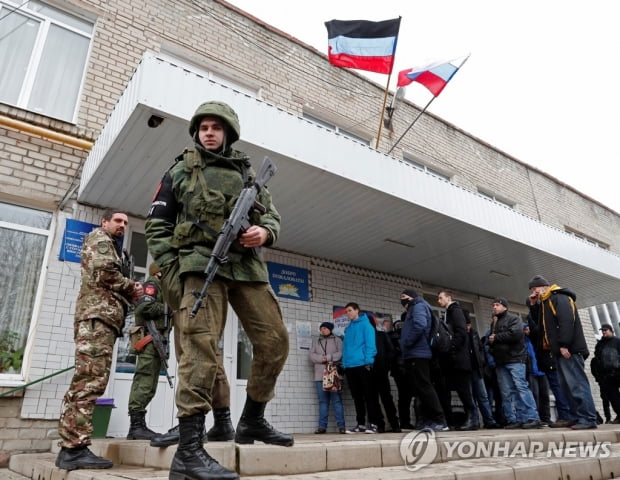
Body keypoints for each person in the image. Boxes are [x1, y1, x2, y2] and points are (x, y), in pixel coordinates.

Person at [145, 101, 292, 480]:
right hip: (197, 266)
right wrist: (173, 274)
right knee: (200, 348)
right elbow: (157, 229)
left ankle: (253, 420)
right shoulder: (179, 171)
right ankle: (190, 451)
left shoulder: (247, 173)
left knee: (275, 341)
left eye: (216, 127)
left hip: (246, 267)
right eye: (204, 127)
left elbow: (270, 213)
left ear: (228, 133)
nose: (209, 132)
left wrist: (265, 231)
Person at [56, 209, 143, 471]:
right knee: (89, 380)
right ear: (104, 222)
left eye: (126, 223)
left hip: (102, 319)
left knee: (90, 379)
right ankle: (73, 449)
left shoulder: (112, 246)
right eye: (118, 221)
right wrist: (132, 287)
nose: (122, 225)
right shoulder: (100, 237)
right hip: (97, 318)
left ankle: (73, 447)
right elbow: (105, 271)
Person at [527, 275, 598, 429]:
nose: (534, 292)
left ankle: (588, 418)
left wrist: (564, 344)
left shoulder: (560, 298)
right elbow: (541, 325)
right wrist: (533, 305)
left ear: (544, 286)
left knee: (576, 384)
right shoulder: (546, 302)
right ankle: (575, 417)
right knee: (566, 387)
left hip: (568, 350)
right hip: (558, 351)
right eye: (532, 290)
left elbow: (567, 322)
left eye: (535, 288)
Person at [126, 263, 168, 440]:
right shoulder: (152, 284)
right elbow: (144, 308)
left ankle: (139, 425)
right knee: (144, 380)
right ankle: (136, 427)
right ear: (159, 272)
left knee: (150, 383)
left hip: (156, 340)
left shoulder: (161, 287)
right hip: (149, 339)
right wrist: (168, 308)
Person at [400, 288, 448, 432]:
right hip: (414, 353)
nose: (401, 299)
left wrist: (407, 342)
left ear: (411, 297)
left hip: (418, 353)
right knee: (420, 389)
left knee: (425, 387)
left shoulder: (418, 306)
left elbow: (420, 325)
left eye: (403, 296)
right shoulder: (415, 307)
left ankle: (440, 420)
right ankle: (430, 420)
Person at [488, 298, 540, 429]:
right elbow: (492, 341)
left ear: (505, 307)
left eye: (497, 305)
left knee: (521, 387)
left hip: (515, 359)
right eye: (493, 305)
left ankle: (532, 417)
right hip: (501, 361)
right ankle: (515, 419)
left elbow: (516, 334)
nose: (494, 307)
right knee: (507, 392)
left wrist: (496, 338)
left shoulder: (514, 319)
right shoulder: (494, 323)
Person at [436, 290, 477, 430]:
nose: (438, 301)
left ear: (449, 298)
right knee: (450, 389)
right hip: (452, 360)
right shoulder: (448, 312)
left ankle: (473, 419)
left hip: (459, 359)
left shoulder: (456, 311)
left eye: (440, 298)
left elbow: (460, 332)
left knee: (463, 391)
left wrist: (451, 347)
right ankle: (452, 422)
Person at [341, 302, 380, 433]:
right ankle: (361, 424)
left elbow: (370, 344)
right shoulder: (349, 328)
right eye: (346, 311)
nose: (348, 313)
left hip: (363, 364)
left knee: (369, 395)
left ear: (357, 310)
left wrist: (368, 361)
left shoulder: (366, 325)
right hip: (350, 366)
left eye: (350, 310)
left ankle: (374, 423)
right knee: (357, 397)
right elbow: (346, 348)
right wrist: (344, 364)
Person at [309, 322, 346, 434]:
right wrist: (322, 358)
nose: (323, 330)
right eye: (321, 328)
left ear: (330, 329)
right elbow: (311, 355)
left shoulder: (337, 340)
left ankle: (341, 426)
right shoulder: (316, 341)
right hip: (319, 375)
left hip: (333, 374)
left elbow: (341, 353)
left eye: (325, 328)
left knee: (336, 401)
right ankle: (322, 427)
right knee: (323, 401)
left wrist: (329, 357)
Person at [368, 314, 400, 433]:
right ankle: (379, 424)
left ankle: (394, 424)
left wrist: (385, 364)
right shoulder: (363, 338)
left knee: (386, 398)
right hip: (368, 371)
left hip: (381, 370)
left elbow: (391, 351)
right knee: (373, 399)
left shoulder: (381, 335)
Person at [466, 321, 499, 429]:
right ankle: (474, 422)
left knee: (483, 397)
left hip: (477, 370)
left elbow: (481, 351)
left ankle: (489, 421)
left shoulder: (475, 335)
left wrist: (481, 363)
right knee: (470, 397)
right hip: (466, 369)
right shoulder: (459, 335)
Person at [387, 319, 415, 429]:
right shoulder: (400, 337)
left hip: (398, 370)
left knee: (404, 397)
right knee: (406, 396)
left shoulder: (392, 336)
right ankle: (405, 421)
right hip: (405, 369)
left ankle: (405, 421)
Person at [523, 323, 551, 426]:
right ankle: (537, 418)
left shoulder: (535, 340)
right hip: (531, 371)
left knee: (545, 395)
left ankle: (546, 418)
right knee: (535, 395)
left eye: (528, 329)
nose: (527, 331)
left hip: (541, 371)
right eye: (525, 329)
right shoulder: (523, 341)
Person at [592, 324, 620, 421]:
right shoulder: (600, 344)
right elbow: (596, 360)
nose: (604, 332)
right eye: (602, 330)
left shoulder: (617, 341)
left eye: (606, 330)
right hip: (607, 376)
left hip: (618, 372)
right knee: (613, 397)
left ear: (611, 331)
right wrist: (598, 376)